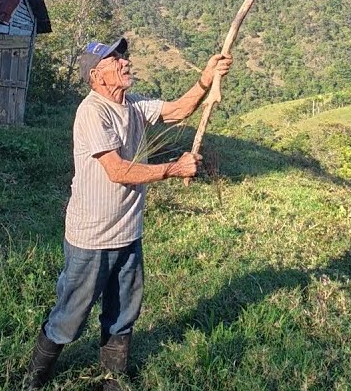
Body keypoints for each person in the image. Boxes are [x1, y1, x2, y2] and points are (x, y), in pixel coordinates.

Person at [23, 37, 231, 389]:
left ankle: (112, 379)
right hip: (92, 237)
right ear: (96, 75)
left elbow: (178, 110)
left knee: (122, 313)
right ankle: (34, 377)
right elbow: (118, 170)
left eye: (124, 56)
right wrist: (171, 169)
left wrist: (206, 80)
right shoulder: (91, 112)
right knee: (71, 314)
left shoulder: (133, 105)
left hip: (128, 233)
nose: (125, 62)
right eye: (115, 60)